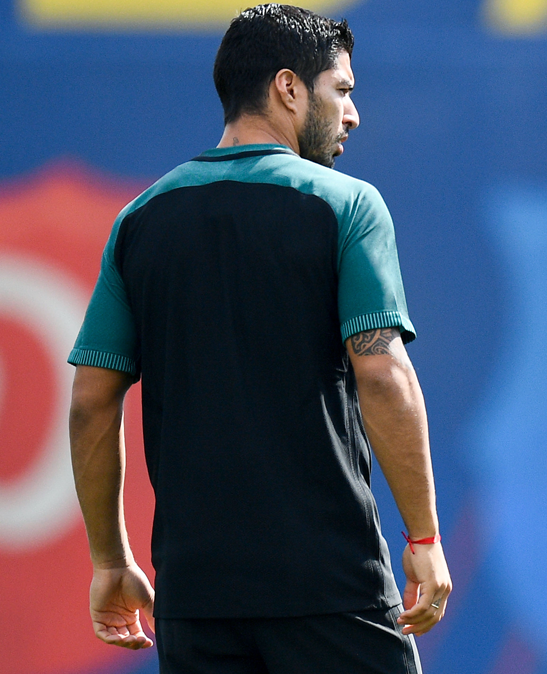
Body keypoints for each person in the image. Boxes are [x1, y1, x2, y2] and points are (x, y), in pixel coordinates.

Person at [66, 5, 451, 672]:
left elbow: (90, 403)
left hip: (195, 599)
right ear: (288, 87)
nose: (352, 115)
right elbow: (383, 376)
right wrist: (423, 534)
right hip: (331, 588)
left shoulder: (140, 220)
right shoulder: (347, 205)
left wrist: (110, 559)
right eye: (343, 91)